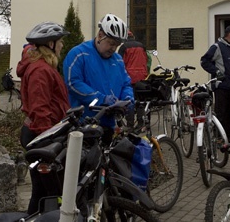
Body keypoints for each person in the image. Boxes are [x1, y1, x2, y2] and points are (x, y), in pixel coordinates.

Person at [17, 21, 71, 215]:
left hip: (41, 133)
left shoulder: (43, 67)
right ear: (50, 44)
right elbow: (40, 108)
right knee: (50, 192)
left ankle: (34, 218)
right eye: (60, 42)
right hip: (41, 134)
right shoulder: (41, 70)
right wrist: (48, 142)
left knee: (41, 191)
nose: (62, 45)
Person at [63, 13, 134, 142]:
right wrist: (101, 99)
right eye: (111, 43)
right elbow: (73, 83)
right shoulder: (78, 54)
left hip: (109, 125)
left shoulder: (118, 60)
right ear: (100, 36)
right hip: (83, 125)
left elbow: (125, 84)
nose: (114, 48)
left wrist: (127, 99)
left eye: (117, 45)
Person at [200, 25, 230, 143]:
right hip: (221, 86)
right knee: (222, 112)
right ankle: (219, 137)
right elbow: (204, 61)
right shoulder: (217, 47)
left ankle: (228, 135)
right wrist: (217, 72)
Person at [118, 30, 150, 126]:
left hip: (129, 77)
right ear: (133, 37)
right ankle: (141, 122)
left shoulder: (124, 47)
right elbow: (147, 60)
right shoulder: (142, 46)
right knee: (140, 100)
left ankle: (130, 123)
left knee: (130, 100)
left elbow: (119, 63)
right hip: (142, 77)